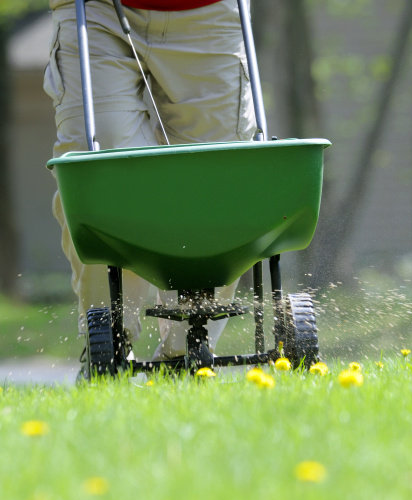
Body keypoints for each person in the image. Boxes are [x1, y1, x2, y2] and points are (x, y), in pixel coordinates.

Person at [43, 0, 257, 361]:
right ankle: (109, 339)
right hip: (96, 9)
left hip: (209, 12)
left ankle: (185, 349)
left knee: (217, 179)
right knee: (100, 165)